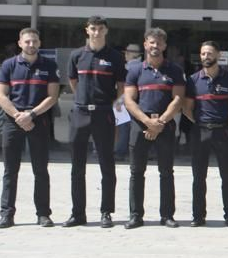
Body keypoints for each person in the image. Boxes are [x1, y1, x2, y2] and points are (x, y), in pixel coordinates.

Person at [0, 27, 61, 228]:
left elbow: (52, 96)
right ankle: (7, 214)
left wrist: (31, 115)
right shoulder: (9, 65)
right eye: (27, 41)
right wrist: (18, 116)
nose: (31, 45)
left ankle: (43, 214)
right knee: (10, 170)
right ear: (20, 43)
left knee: (40, 170)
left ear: (39, 43)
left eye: (34, 41)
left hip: (38, 121)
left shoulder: (49, 65)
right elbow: (1, 95)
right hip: (13, 122)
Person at [122, 27, 185, 230]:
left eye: (159, 43)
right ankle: (135, 216)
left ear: (164, 46)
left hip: (164, 127)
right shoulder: (134, 70)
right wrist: (147, 122)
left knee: (166, 172)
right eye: (151, 42)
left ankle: (167, 215)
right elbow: (129, 101)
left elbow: (178, 99)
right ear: (145, 44)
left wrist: (160, 123)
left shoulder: (174, 70)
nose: (155, 46)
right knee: (136, 172)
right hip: (140, 126)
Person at [62, 16, 121, 228]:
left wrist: (110, 104)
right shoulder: (77, 55)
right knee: (77, 166)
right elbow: (73, 81)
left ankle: (106, 212)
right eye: (93, 29)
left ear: (106, 31)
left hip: (104, 113)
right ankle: (78, 213)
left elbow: (121, 86)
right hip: (80, 113)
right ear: (87, 30)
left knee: (107, 164)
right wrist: (83, 99)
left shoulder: (114, 56)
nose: (96, 32)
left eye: (100, 29)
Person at [184, 40, 228, 226]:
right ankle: (198, 216)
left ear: (217, 55)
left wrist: (222, 121)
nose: (206, 57)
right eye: (203, 54)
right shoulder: (192, 80)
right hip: (200, 132)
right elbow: (187, 108)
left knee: (227, 175)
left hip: (222, 132)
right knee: (198, 176)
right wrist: (201, 123)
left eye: (209, 53)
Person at [113, 43, 141, 158]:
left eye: (127, 52)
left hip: (124, 100)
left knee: (123, 127)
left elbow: (123, 86)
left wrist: (119, 102)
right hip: (137, 101)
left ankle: (120, 152)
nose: (125, 55)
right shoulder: (142, 67)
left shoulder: (128, 68)